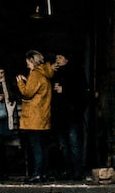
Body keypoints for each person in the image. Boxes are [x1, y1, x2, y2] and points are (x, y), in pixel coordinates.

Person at [16, 49, 54, 182]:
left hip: (33, 118)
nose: (26, 64)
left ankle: (37, 174)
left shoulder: (35, 74)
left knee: (36, 147)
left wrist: (20, 82)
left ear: (32, 61)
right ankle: (44, 173)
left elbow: (27, 93)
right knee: (43, 147)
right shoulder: (45, 74)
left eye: (27, 61)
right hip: (43, 116)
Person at [51, 51, 87, 180]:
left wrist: (64, 90)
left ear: (66, 59)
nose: (57, 59)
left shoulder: (76, 73)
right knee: (64, 145)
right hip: (59, 115)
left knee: (74, 143)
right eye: (56, 57)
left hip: (72, 115)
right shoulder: (55, 73)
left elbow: (82, 93)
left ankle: (77, 171)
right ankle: (67, 170)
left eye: (60, 57)